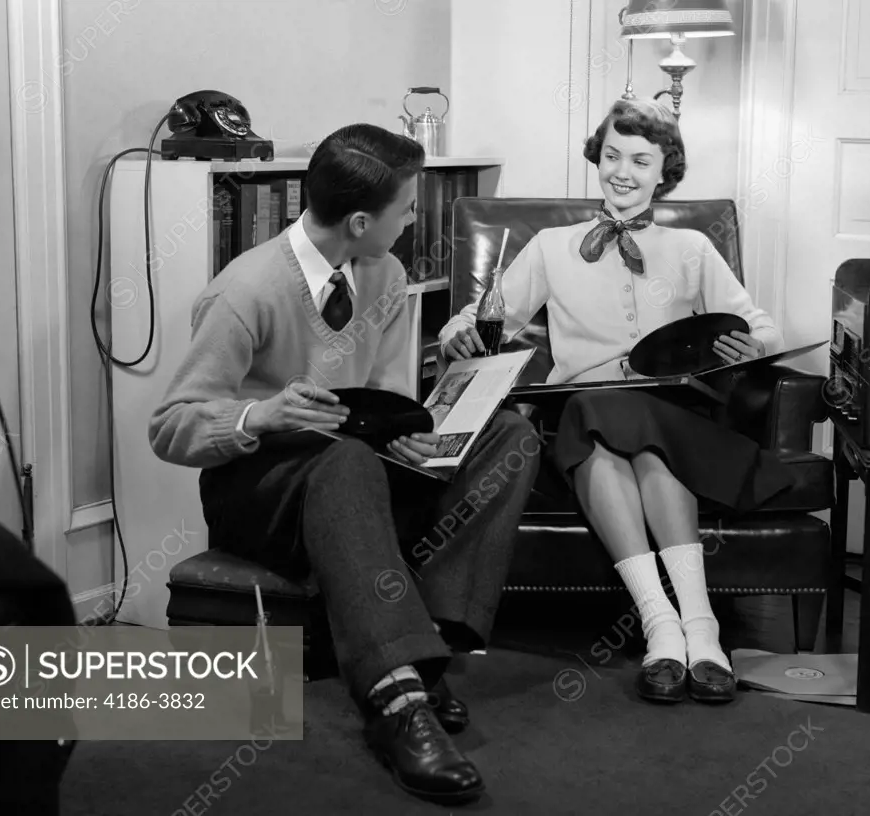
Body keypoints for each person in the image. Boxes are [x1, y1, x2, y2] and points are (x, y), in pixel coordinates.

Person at [148, 123, 540, 805]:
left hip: (356, 463)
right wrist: (258, 415)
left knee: (509, 436)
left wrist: (414, 431)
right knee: (349, 464)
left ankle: (430, 651)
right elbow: (171, 427)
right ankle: (397, 704)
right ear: (361, 220)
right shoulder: (243, 292)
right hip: (262, 488)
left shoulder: (384, 273)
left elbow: (386, 396)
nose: (416, 217)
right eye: (409, 208)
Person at [438, 99, 795, 705]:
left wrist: (745, 346)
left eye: (640, 159)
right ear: (596, 160)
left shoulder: (691, 249)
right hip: (583, 418)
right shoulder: (552, 246)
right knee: (599, 414)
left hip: (674, 418)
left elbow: (768, 332)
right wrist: (458, 334)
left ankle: (688, 626)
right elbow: (479, 319)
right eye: (611, 156)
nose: (622, 171)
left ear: (664, 171)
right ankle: (674, 625)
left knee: (631, 426)